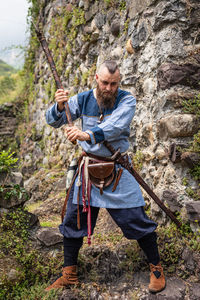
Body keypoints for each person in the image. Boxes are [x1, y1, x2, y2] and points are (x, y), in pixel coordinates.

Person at [45, 60, 166, 293]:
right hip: (88, 169)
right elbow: (53, 121)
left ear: (118, 82)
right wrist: (60, 107)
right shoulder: (82, 99)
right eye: (105, 83)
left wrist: (86, 134)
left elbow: (115, 126)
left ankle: (157, 269)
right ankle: (69, 274)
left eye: (114, 83)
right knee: (73, 220)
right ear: (96, 78)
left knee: (136, 219)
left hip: (118, 168)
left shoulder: (127, 100)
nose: (109, 88)